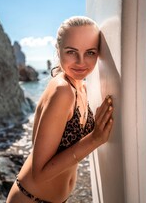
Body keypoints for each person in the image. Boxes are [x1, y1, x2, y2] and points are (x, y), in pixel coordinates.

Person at [7, 16, 114, 203]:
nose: (81, 62)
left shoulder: (82, 87)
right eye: (72, 52)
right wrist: (95, 138)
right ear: (58, 50)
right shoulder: (62, 91)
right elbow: (38, 175)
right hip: (30, 199)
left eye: (90, 52)